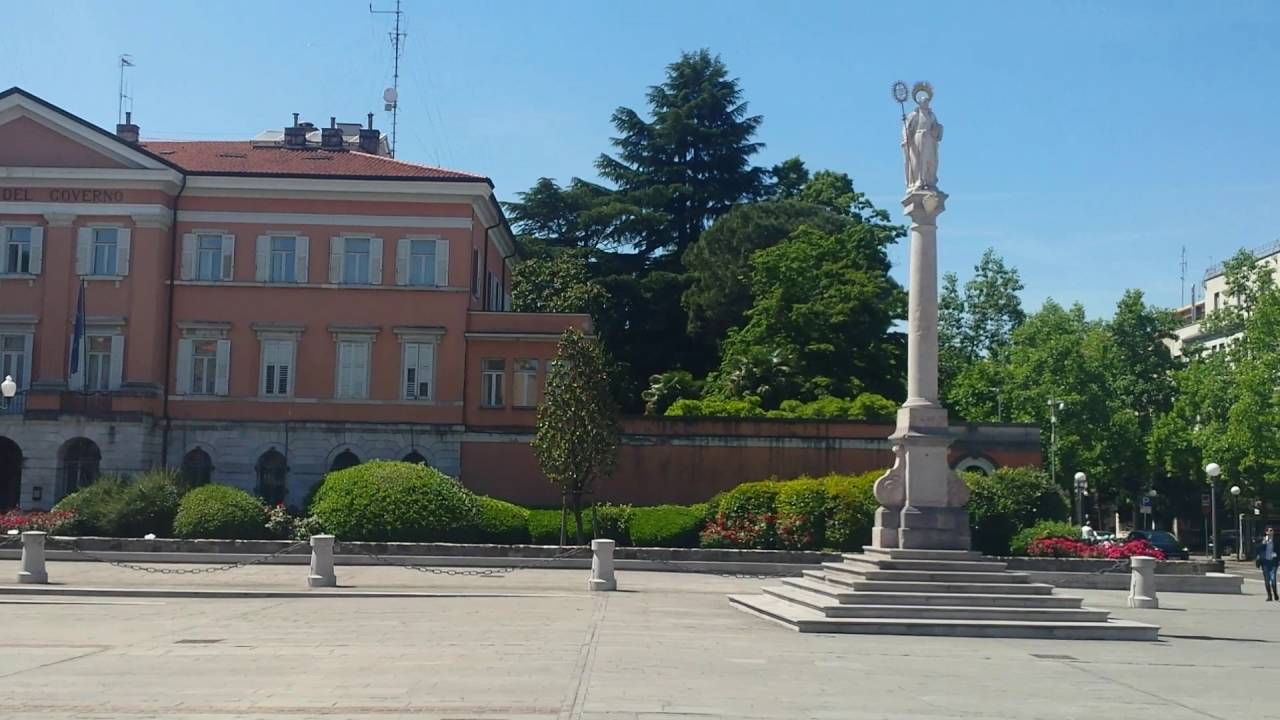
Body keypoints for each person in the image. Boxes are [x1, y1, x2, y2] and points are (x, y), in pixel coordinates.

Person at [1256, 527, 1279, 601]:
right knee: (1267, 580)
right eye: (1269, 530)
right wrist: (1263, 543)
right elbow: (1257, 549)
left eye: (1272, 530)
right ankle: (1269, 596)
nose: (1271, 532)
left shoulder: (1276, 541)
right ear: (1266, 532)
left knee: (1273, 579)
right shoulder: (1262, 540)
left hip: (1273, 563)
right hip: (1265, 562)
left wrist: (1276, 555)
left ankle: (1275, 594)